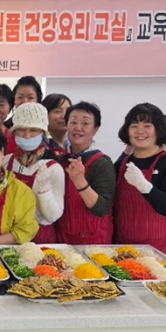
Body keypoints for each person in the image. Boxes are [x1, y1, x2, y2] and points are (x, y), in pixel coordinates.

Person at [113, 103, 166, 263]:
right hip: (126, 249)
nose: (140, 131)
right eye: (134, 126)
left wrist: (144, 186)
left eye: (147, 126)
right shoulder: (122, 164)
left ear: (159, 130)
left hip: (162, 250)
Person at [55, 101, 115, 244]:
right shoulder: (60, 158)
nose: (78, 127)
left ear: (95, 129)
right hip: (62, 239)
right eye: (73, 122)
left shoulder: (102, 163)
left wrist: (80, 181)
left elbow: (102, 209)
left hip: (93, 242)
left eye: (85, 123)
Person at [4, 103, 64, 243]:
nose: (27, 135)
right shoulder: (5, 162)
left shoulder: (53, 168)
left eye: (33, 130)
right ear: (14, 132)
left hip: (40, 236)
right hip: (8, 233)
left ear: (43, 133)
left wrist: (44, 189)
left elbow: (52, 216)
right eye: (21, 130)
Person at [41, 93, 72, 161]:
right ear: (44, 115)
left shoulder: (74, 142)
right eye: (58, 112)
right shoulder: (38, 145)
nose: (64, 116)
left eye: (68, 111)